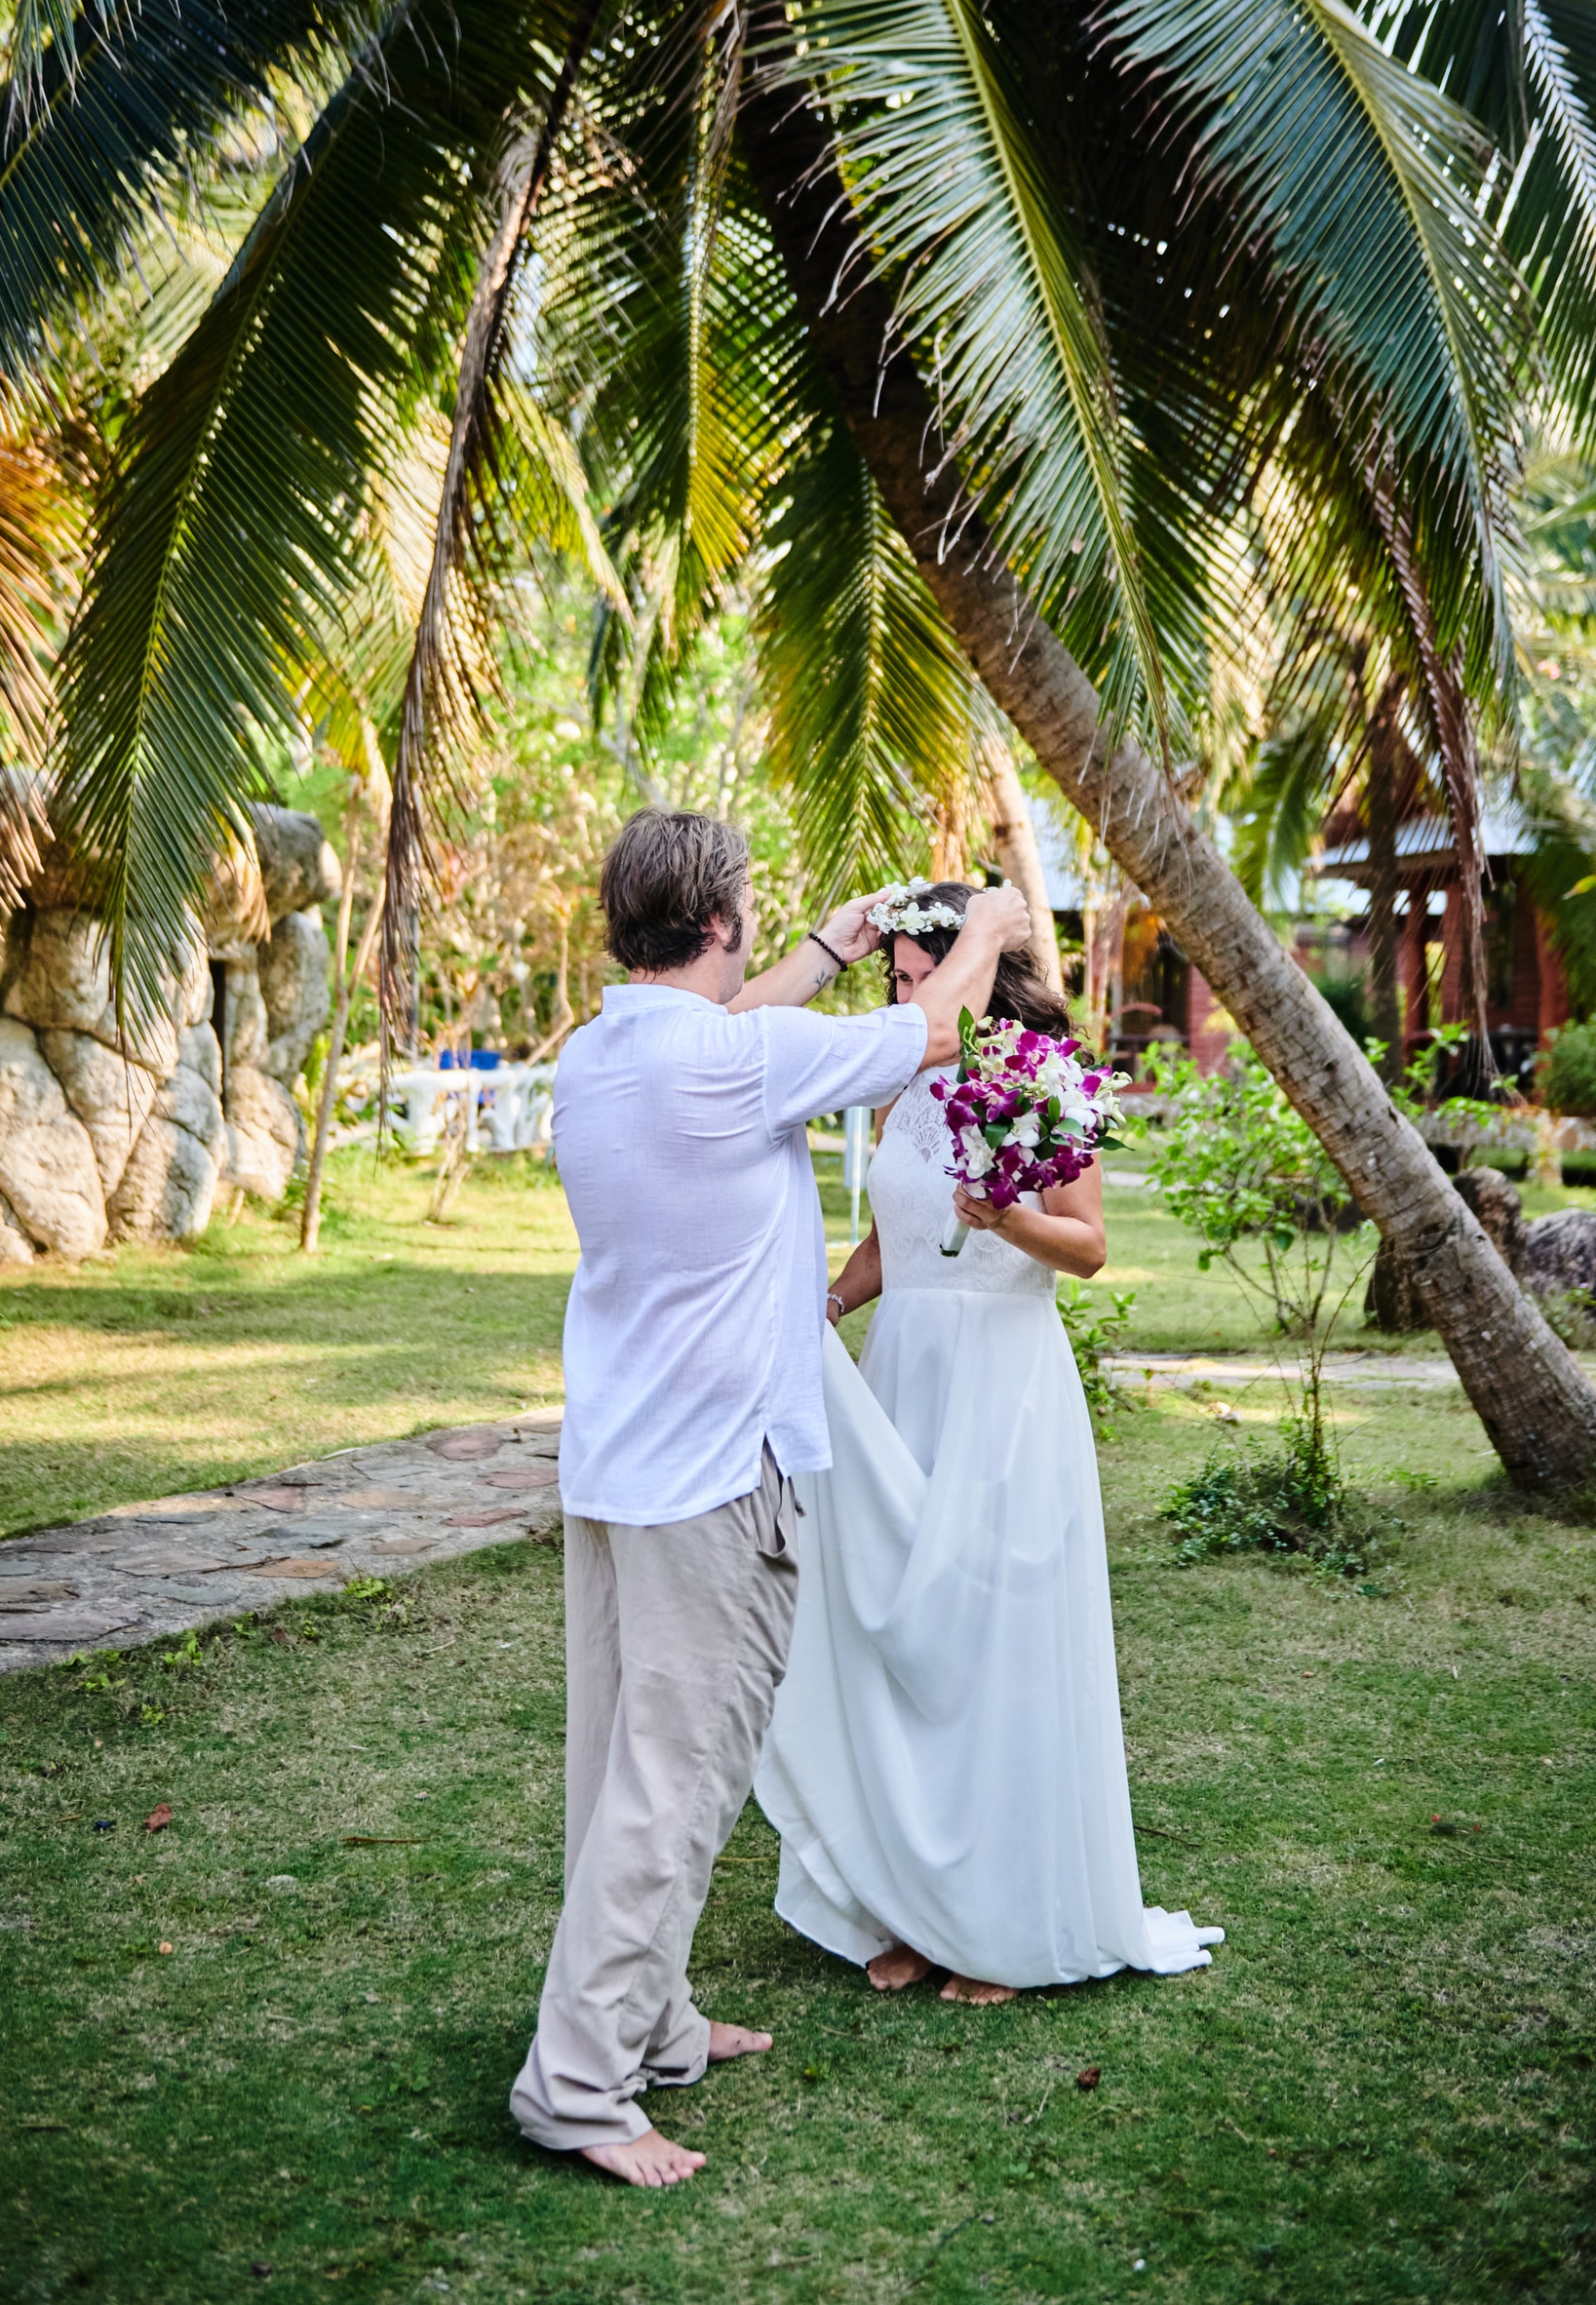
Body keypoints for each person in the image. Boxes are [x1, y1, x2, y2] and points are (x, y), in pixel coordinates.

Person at [510, 812, 1032, 2184]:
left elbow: (732, 1028)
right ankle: (576, 2086)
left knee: (618, 1765)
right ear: (721, 917)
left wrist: (823, 947)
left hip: (621, 1467)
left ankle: (654, 2023)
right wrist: (985, 923)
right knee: (674, 1785)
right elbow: (930, 1038)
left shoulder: (605, 1051)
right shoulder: (736, 1063)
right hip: (711, 1478)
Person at [756, 879, 1222, 2005]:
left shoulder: (1039, 1080)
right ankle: (912, 1905)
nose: (911, 1000)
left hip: (1003, 1386)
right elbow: (893, 1235)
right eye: (903, 982)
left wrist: (1007, 1218)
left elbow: (1092, 1246)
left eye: (923, 979)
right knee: (899, 1641)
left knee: (990, 1645)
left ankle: (1000, 1924)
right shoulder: (899, 1083)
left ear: (985, 970)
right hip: (904, 1377)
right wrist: (829, 1303)